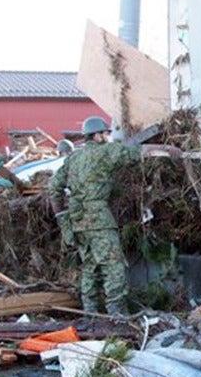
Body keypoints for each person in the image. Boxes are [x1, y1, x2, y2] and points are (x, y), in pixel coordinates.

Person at [49, 116, 183, 316]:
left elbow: (54, 187)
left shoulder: (73, 158)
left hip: (77, 222)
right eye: (105, 133)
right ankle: (116, 314)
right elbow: (139, 151)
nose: (108, 136)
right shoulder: (106, 152)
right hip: (98, 220)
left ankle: (91, 313)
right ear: (96, 136)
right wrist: (167, 149)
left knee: (90, 266)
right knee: (113, 266)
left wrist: (62, 218)